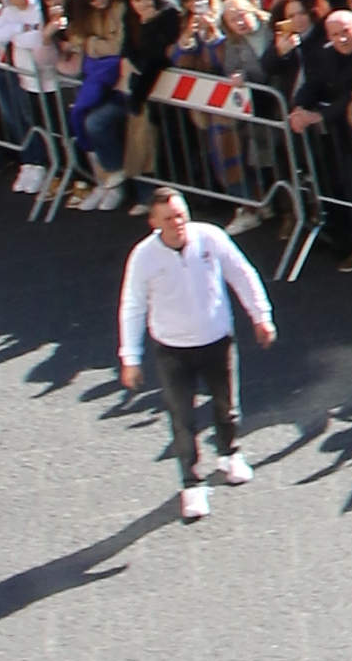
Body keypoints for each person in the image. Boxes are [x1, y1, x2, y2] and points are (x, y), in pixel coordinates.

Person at [117, 184, 276, 522]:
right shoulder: (144, 257)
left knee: (227, 407)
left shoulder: (210, 238)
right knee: (183, 419)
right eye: (169, 218)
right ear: (153, 222)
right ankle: (191, 483)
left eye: (181, 215)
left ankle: (230, 453)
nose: (178, 223)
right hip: (172, 349)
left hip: (216, 339)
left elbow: (241, 273)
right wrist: (129, 356)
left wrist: (261, 316)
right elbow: (132, 305)